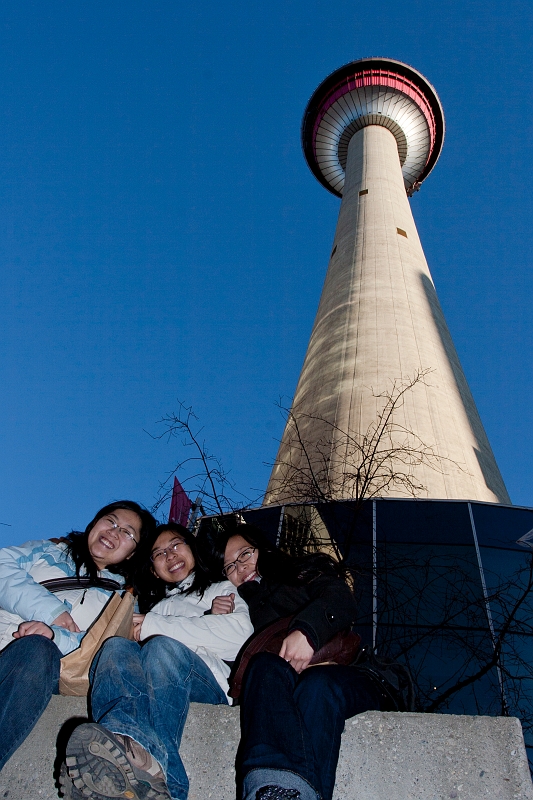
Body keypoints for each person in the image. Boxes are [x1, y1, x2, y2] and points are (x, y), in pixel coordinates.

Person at [63, 522, 253, 800]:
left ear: (192, 549)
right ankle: (120, 752)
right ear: (153, 569)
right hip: (158, 685)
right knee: (115, 646)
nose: (170, 555)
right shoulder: (156, 609)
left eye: (176, 545)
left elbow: (240, 638)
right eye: (159, 553)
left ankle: (170, 785)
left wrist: (155, 626)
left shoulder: (219, 589)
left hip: (209, 684)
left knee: (162, 648)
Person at [203, 520, 382, 800]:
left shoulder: (300, 573)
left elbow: (339, 598)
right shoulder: (239, 608)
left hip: (347, 675)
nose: (240, 569)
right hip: (281, 684)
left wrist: (307, 631)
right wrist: (212, 620)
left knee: (317, 686)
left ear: (262, 549)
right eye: (230, 567)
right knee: (263, 666)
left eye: (245, 555)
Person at [0, 499, 156, 772]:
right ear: (94, 523)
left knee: (37, 649)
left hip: (40, 665)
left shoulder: (123, 601)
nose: (114, 531)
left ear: (133, 552)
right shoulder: (49, 550)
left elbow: (105, 649)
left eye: (127, 532)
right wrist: (52, 613)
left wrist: (55, 636)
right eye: (111, 520)